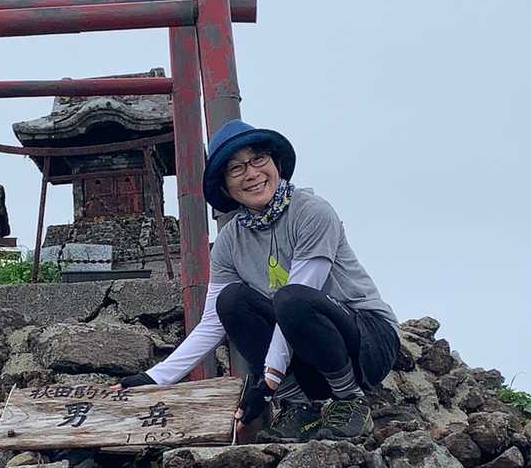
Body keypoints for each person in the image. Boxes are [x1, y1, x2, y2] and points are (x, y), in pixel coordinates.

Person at [119, 119, 400, 441]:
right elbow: (213, 323)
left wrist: (267, 381)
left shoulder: (312, 212)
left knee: (291, 298)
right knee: (232, 300)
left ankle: (350, 399)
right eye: (236, 169)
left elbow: (300, 296)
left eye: (258, 160)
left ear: (276, 163)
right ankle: (297, 406)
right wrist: (154, 377)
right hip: (306, 352)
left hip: (367, 344)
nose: (251, 174)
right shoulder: (229, 242)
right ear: (225, 186)